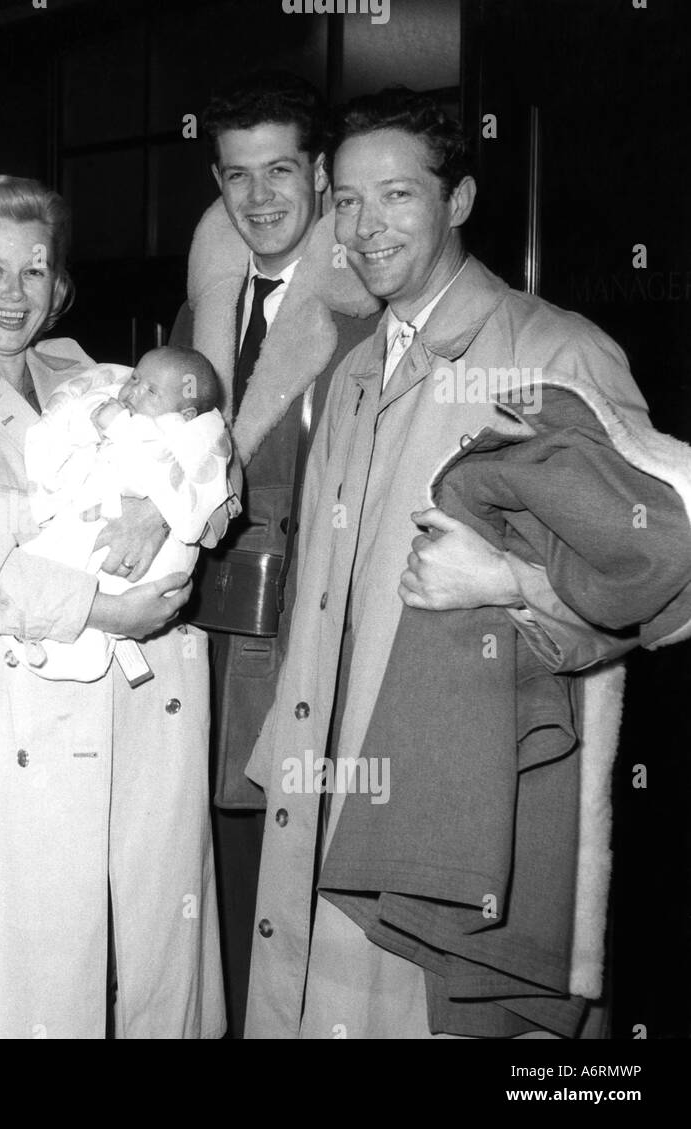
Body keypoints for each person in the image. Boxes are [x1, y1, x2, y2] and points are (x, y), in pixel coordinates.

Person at [243, 87, 691, 1039]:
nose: (363, 228)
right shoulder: (355, 368)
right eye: (346, 201)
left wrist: (516, 585)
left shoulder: (554, 351)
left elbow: (672, 578)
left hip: (467, 818)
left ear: (459, 202)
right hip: (333, 794)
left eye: (397, 196)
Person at [0, 174, 225, 1038]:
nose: (15, 294)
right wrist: (109, 613)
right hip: (7, 721)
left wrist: (166, 507)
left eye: (35, 270)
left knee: (136, 958)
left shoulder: (89, 370)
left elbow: (211, 437)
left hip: (132, 710)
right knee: (5, 980)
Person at [170, 70, 379, 1032]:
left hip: (312, 639)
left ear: (321, 173)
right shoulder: (202, 311)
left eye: (280, 171)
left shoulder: (368, 311)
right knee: (207, 867)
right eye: (237, 176)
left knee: (299, 877)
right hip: (200, 639)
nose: (258, 199)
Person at [21, 346, 230, 682]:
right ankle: (68, 647)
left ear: (186, 415)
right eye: (135, 378)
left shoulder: (178, 432)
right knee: (45, 566)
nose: (133, 391)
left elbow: (195, 480)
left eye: (151, 391)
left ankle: (73, 645)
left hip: (144, 568)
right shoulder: (100, 386)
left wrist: (119, 428)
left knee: (55, 565)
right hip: (93, 564)